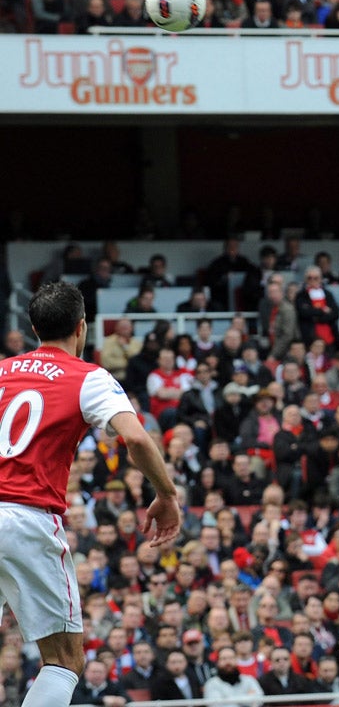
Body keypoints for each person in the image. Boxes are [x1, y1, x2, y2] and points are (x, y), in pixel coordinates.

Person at [0, 281, 180, 707]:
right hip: (28, 517)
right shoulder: (88, 377)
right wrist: (167, 494)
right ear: (82, 328)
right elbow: (135, 440)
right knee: (64, 659)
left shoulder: (3, 370)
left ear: (32, 326)